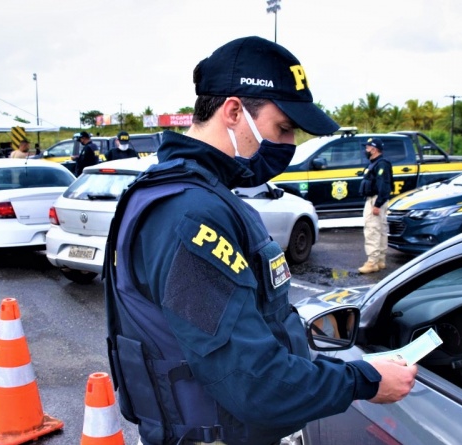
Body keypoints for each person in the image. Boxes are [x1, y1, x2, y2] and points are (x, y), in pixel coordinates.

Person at [104, 36, 417, 445]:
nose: (289, 145)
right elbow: (254, 381)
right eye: (283, 128)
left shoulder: (191, 194)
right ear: (233, 111)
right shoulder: (191, 213)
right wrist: (364, 381)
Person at [358, 137, 394, 274]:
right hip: (376, 199)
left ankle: (372, 262)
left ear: (374, 149)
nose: (366, 150)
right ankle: (379, 260)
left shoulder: (381, 164)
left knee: (372, 230)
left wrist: (377, 204)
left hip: (376, 200)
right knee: (380, 230)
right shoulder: (376, 163)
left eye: (367, 148)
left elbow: (384, 185)